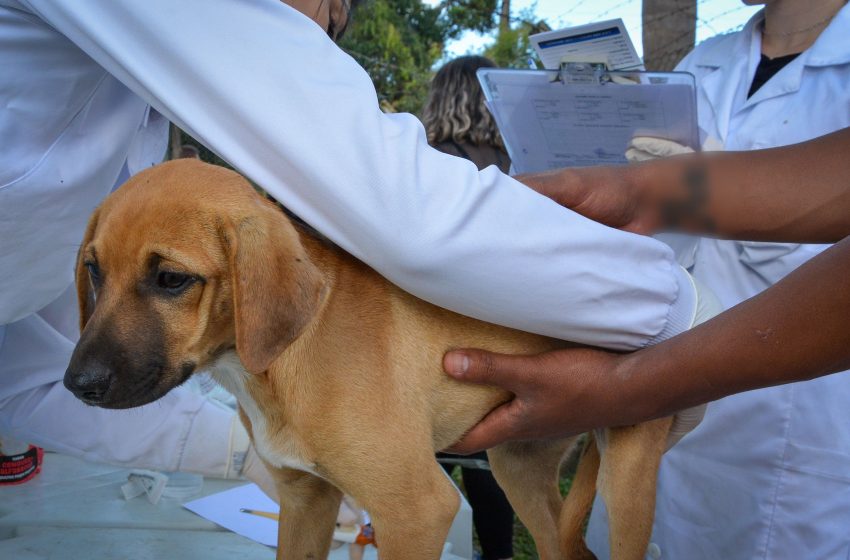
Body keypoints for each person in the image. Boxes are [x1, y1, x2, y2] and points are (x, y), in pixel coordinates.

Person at [0, 0, 705, 501]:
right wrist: (678, 314)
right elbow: (402, 209)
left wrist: (252, 449)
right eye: (326, 19)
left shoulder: (122, 89)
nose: (319, 42)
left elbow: (21, 375)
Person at [445, 126, 850, 559]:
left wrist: (629, 384)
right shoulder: (714, 59)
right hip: (665, 362)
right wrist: (642, 192)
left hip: (792, 422)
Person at [423, 55, 515, 560]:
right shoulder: (519, 168)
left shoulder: (423, 162)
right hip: (497, 340)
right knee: (490, 469)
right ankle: (498, 554)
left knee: (418, 472)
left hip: (425, 342)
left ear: (440, 98)